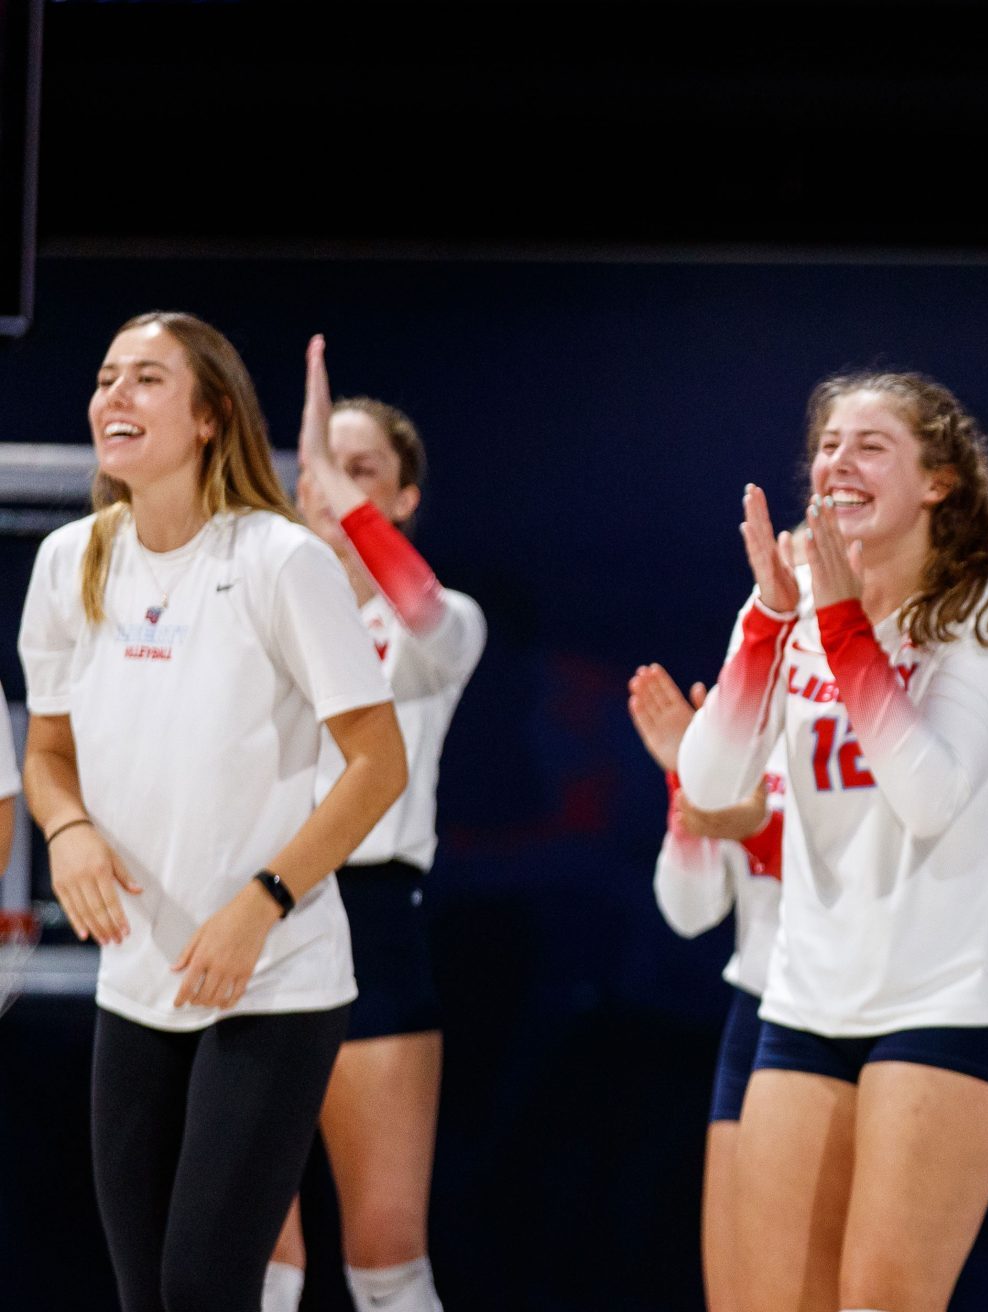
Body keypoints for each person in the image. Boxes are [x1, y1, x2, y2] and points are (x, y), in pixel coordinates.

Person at [22, 311, 406, 1312]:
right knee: (145, 1293)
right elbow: (48, 754)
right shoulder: (70, 561)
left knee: (204, 1288)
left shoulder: (280, 561)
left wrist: (264, 898)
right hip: (139, 979)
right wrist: (65, 831)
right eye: (106, 377)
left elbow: (378, 762)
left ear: (208, 417)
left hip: (272, 978)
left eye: (146, 379)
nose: (114, 396)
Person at [679, 370, 988, 1312]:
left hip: (949, 1000)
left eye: (871, 445)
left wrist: (842, 626)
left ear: (938, 483)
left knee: (881, 1299)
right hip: (806, 1000)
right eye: (827, 445)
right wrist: (770, 624)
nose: (837, 462)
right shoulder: (791, 608)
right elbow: (711, 786)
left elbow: (929, 795)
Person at [264, 336, 487, 1312]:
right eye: (321, 469)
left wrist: (326, 483)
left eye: (364, 474)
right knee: (254, 1251)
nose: (333, 489)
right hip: (252, 911)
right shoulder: (252, 608)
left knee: (386, 1254)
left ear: (402, 502)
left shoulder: (444, 627)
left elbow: (427, 613)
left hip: (374, 919)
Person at [630, 662, 785, 1312]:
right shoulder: (745, 709)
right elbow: (690, 910)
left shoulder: (880, 688)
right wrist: (684, 781)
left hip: (861, 1008)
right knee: (739, 1294)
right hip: (758, 1012)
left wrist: (751, 826)